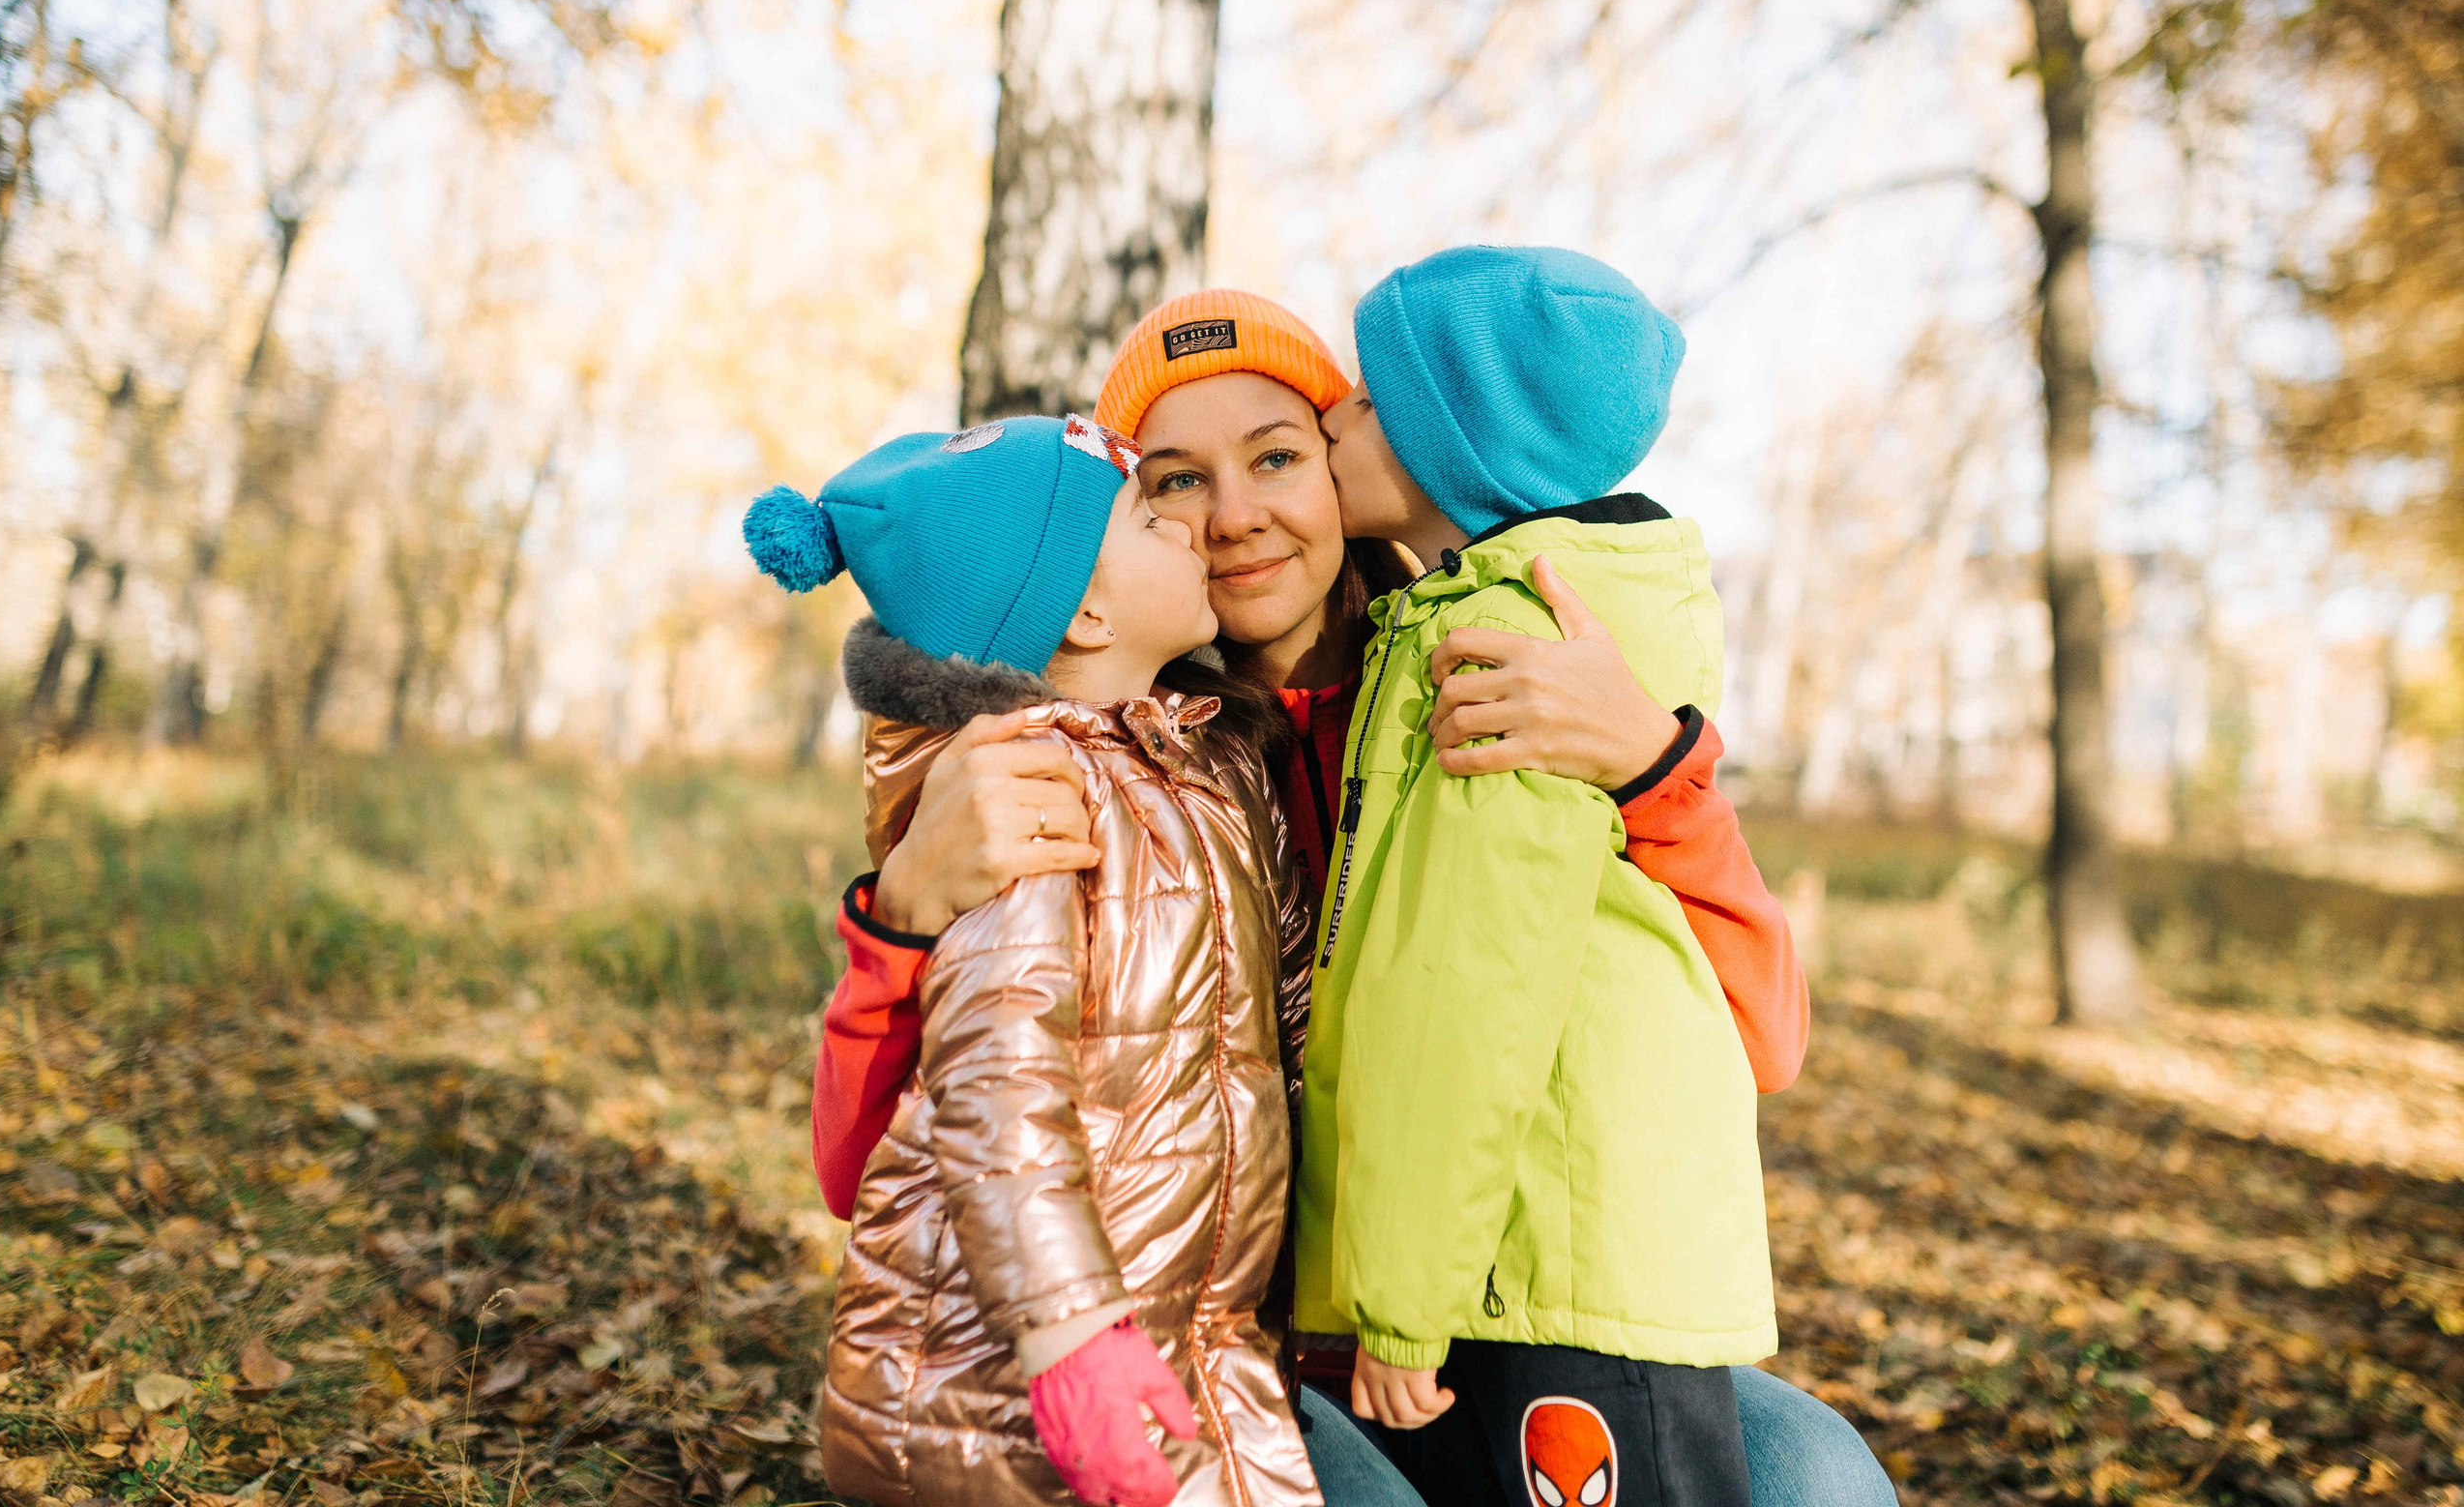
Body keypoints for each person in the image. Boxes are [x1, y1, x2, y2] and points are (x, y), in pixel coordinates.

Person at [812, 287, 1895, 1507]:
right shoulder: (1096, 766)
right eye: (1169, 481)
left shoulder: (1506, 665)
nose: (1232, 517)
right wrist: (898, 917)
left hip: (1490, 1314)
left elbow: (1769, 1037)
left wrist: (1659, 770)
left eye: (1277, 455)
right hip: (1239, 1348)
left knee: (1819, 1475)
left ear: (1347, 463)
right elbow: (870, 1168)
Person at [748, 414, 1322, 1507]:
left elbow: (1291, 1012)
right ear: (1088, 608)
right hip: (1011, 1382)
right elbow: (996, 1092)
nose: (1196, 528)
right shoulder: (1024, 793)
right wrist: (1069, 1333)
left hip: (1195, 1325)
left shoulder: (1208, 762)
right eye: (1157, 516)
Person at [1297, 245, 1767, 1507]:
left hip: (1553, 1259)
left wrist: (1398, 1300)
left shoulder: (1502, 654)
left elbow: (1462, 989)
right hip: (1563, 1245)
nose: (1333, 410)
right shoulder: (1507, 617)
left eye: (1371, 399)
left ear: (1457, 448)